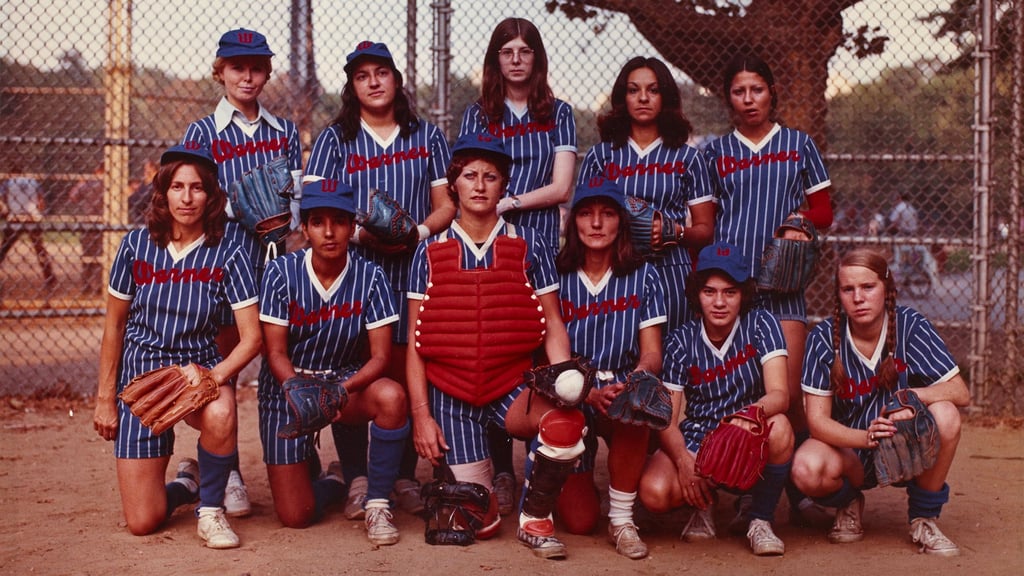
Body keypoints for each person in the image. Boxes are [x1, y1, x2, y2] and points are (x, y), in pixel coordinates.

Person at [407, 132, 584, 560]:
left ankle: (534, 518)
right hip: (451, 393)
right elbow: (415, 345)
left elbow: (553, 323)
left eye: (491, 176)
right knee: (478, 523)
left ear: (504, 184)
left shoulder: (529, 245)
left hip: (511, 384)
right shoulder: (430, 252)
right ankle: (480, 495)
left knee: (566, 423)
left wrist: (563, 380)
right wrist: (421, 417)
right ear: (455, 184)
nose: (480, 185)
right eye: (470, 176)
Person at [304, 41, 453, 519]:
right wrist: (361, 233)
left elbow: (446, 204)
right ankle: (356, 474)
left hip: (412, 265)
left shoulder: (426, 136)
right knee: (353, 363)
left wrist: (417, 232)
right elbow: (313, 207)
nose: (373, 81)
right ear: (352, 85)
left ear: (396, 79)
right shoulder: (335, 139)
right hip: (356, 266)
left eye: (381, 72)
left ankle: (404, 473)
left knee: (408, 362)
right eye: (362, 74)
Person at [92, 143, 261, 549]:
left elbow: (252, 337)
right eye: (178, 187)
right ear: (163, 192)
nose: (187, 198)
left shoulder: (229, 250)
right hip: (142, 379)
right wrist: (104, 398)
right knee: (143, 521)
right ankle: (189, 483)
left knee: (221, 410)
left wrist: (213, 376)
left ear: (211, 195)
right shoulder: (136, 246)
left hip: (194, 371)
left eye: (197, 188)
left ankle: (211, 512)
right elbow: (114, 327)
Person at [181, 27, 304, 518]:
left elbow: (294, 204)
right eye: (237, 66)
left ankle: (297, 454)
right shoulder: (204, 133)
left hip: (272, 262)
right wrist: (241, 208)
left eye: (256, 66)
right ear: (221, 71)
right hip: (224, 259)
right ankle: (226, 469)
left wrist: (279, 218)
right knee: (226, 366)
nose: (247, 75)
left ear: (267, 71)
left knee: (280, 359)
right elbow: (195, 202)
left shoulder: (284, 132)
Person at [704, 54, 833, 518]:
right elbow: (707, 221)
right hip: (734, 289)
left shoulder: (798, 144)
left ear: (771, 92)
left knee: (789, 395)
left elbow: (824, 210)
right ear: (729, 98)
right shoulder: (715, 153)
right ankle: (748, 496)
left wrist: (800, 220)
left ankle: (798, 491)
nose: (748, 99)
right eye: (739, 91)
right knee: (743, 395)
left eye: (756, 89)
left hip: (783, 290)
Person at [459, 16, 578, 507]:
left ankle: (541, 460)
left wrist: (511, 204)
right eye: (506, 51)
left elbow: (563, 186)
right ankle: (500, 469)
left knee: (538, 350)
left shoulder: (560, 112)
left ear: (536, 58)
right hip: (488, 243)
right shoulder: (478, 112)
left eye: (525, 51)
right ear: (495, 58)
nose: (515, 59)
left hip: (541, 245)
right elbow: (466, 178)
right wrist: (494, 213)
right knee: (495, 349)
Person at [258, 180, 409, 544]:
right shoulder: (282, 272)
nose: (329, 232)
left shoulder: (371, 276)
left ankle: (376, 503)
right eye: (318, 221)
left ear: (351, 227)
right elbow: (275, 353)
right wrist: (299, 391)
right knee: (296, 516)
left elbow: (380, 357)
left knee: (391, 396)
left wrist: (339, 391)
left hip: (343, 383)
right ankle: (335, 481)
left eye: (340, 221)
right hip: (288, 388)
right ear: (305, 228)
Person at [791, 248, 970, 556]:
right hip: (851, 451)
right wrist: (868, 437)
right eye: (848, 289)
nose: (858, 297)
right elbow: (817, 423)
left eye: (868, 287)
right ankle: (847, 502)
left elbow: (959, 391)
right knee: (806, 467)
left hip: (906, 444)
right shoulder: (823, 338)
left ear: (886, 287)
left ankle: (923, 517)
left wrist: (910, 397)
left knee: (947, 415)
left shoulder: (910, 326)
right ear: (839, 295)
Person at [638, 241, 794, 556]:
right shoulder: (682, 339)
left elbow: (780, 394)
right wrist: (684, 459)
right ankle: (703, 504)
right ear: (697, 293)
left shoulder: (762, 324)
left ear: (743, 294)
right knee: (654, 492)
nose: (719, 302)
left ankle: (760, 518)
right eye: (710, 291)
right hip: (701, 436)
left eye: (730, 292)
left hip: (747, 429)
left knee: (781, 427)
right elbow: (667, 416)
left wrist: (745, 417)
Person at [553, 178, 667, 559]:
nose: (597, 224)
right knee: (581, 522)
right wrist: (586, 393)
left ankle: (622, 518)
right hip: (571, 396)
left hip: (618, 390)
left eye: (607, 214)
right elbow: (549, 357)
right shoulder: (557, 275)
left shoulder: (645, 274)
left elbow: (652, 354)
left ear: (621, 222)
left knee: (636, 405)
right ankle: (580, 482)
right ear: (574, 222)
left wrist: (633, 380)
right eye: (586, 214)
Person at [577, 56, 715, 330]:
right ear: (622, 97)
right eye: (633, 90)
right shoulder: (600, 156)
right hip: (616, 270)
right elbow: (580, 221)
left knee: (670, 358)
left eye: (653, 90)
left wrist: (675, 232)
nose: (643, 98)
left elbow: (706, 230)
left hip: (671, 272)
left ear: (666, 97)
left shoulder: (688, 158)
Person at [0, 164, 56, 292]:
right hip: (32, 218)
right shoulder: (33, 181)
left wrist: (5, 210)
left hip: (15, 218)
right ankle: (49, 276)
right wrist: (39, 213)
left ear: (11, 174)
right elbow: (41, 200)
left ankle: (50, 276)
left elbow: (1, 199)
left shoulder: (8, 182)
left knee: (4, 248)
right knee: (39, 249)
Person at [67, 163, 105, 293]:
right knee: (100, 255)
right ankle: (99, 286)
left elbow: (73, 196)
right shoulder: (109, 185)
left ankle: (86, 286)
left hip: (88, 223)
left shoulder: (88, 184)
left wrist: (81, 182)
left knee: (87, 255)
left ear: (97, 171)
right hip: (103, 223)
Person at [887, 192, 938, 289]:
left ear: (899, 198)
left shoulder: (900, 208)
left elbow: (893, 222)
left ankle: (897, 273)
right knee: (906, 255)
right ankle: (905, 273)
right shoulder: (911, 208)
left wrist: (886, 230)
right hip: (911, 234)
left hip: (903, 234)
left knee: (896, 254)